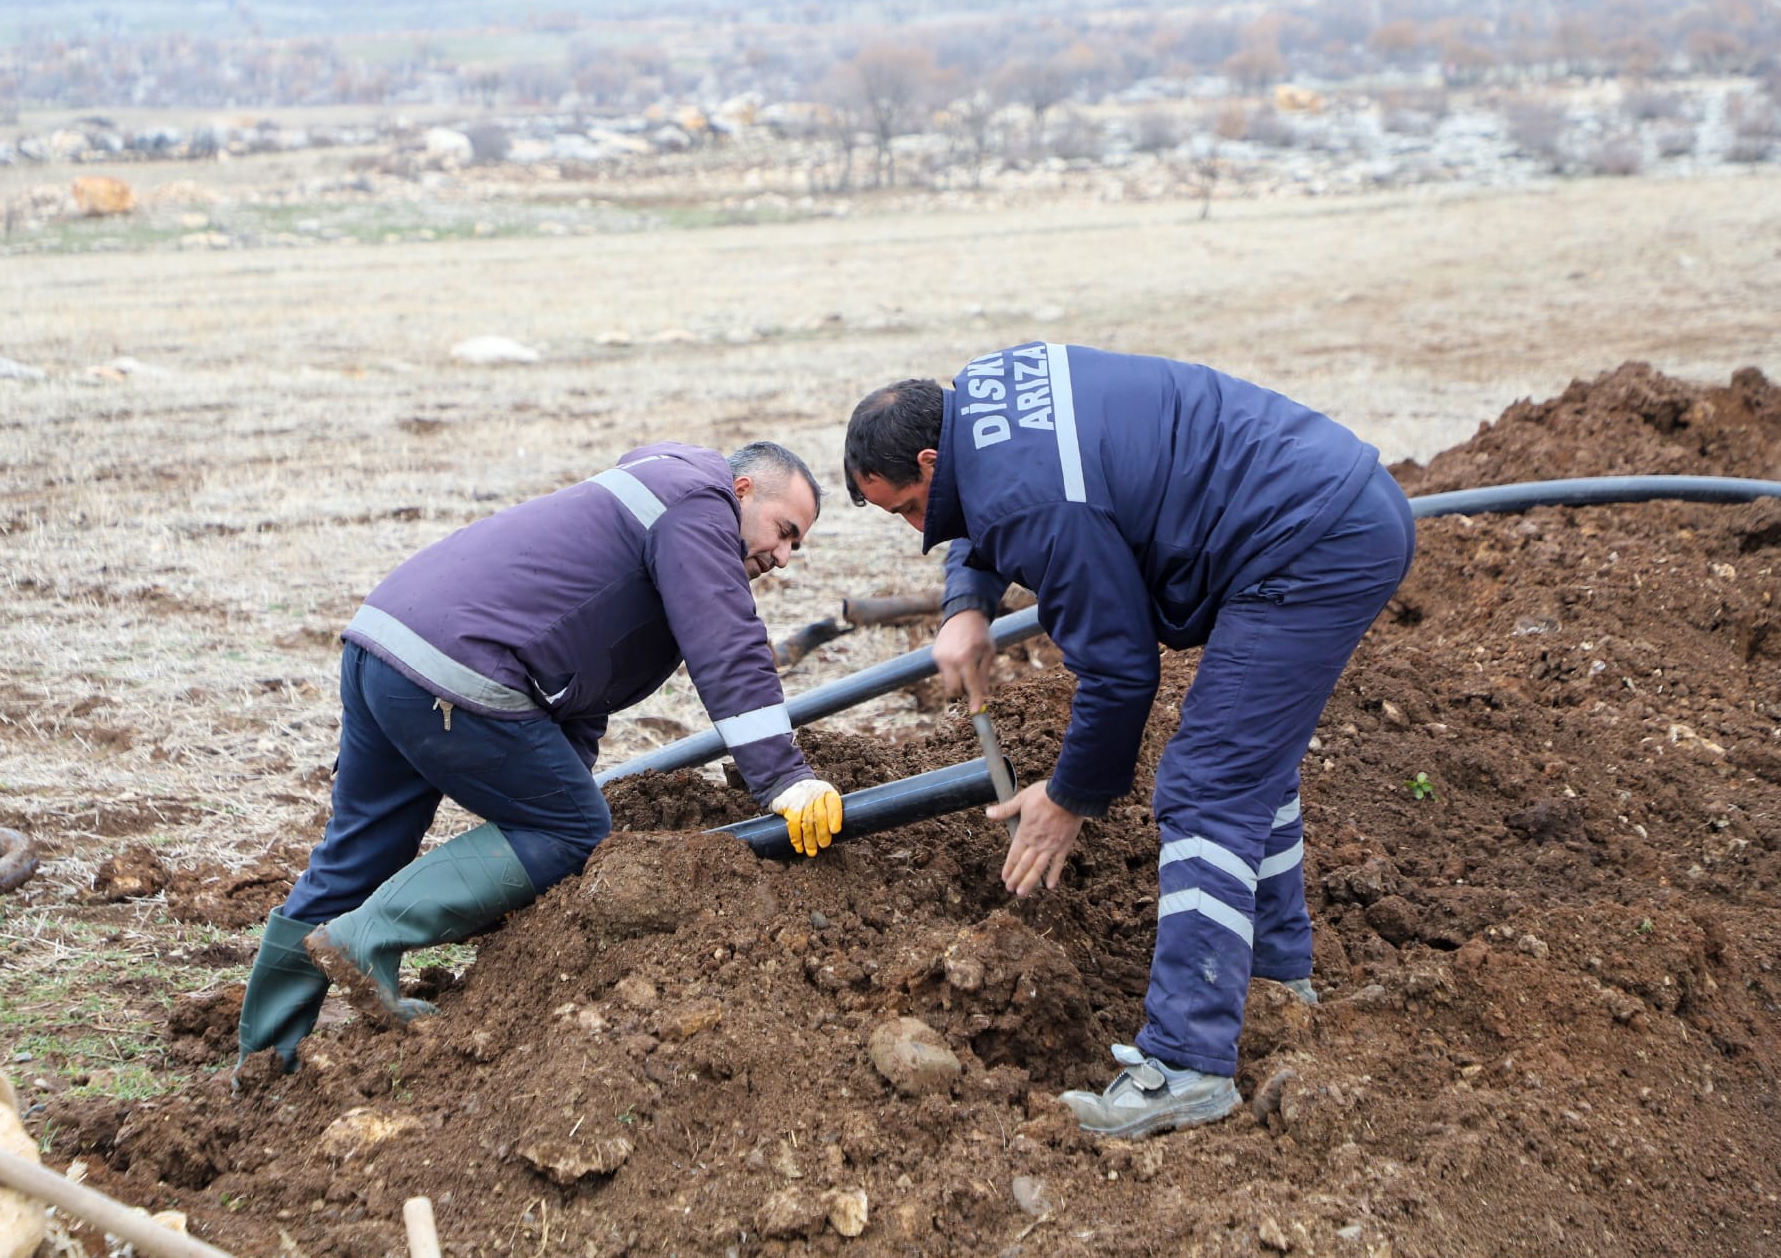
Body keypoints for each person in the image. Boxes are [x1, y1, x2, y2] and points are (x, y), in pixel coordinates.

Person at [843, 343, 1415, 1139]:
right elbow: (996, 494)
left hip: (1308, 543)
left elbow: (1119, 670)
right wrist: (966, 601)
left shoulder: (1031, 504)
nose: (916, 526)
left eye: (907, 506)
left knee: (1209, 785)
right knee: (1252, 765)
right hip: (1330, 506)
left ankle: (1186, 1064)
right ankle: (1277, 978)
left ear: (931, 460)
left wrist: (1069, 796)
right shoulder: (984, 395)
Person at [238, 441, 845, 1069]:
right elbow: (729, 645)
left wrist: (564, 776)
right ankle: (366, 937)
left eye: (796, 546)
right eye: (784, 532)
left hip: (383, 643)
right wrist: (783, 777)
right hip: (455, 667)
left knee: (360, 846)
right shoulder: (699, 508)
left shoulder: (655, 494)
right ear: (742, 490)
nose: (783, 557)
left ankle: (261, 1063)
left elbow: (583, 678)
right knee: (574, 829)